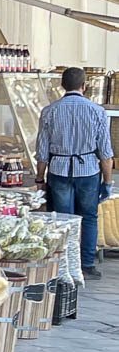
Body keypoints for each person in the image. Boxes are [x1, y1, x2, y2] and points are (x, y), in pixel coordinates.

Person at [34, 66, 113, 279]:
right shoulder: (97, 111)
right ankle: (87, 265)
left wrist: (39, 179)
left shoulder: (49, 111)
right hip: (88, 171)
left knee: (62, 219)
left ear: (62, 85)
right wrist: (107, 182)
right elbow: (106, 154)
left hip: (58, 170)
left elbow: (42, 152)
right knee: (88, 217)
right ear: (84, 86)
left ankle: (63, 264)